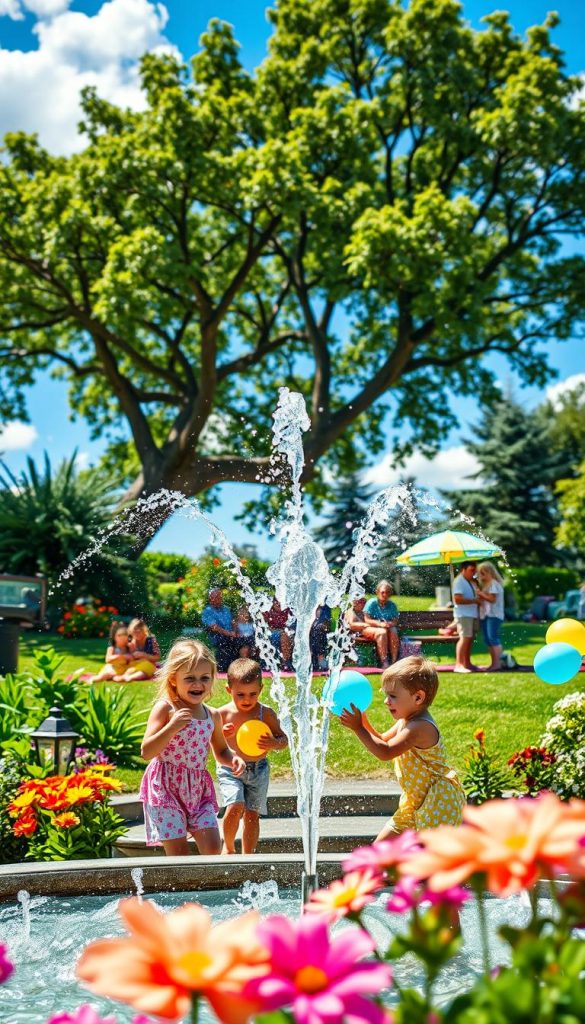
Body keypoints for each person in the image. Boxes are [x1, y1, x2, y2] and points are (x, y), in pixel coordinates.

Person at [139, 638, 246, 855]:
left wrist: (233, 758)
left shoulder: (212, 716)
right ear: (173, 680)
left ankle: (209, 888)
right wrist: (171, 727)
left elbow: (221, 750)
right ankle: (181, 888)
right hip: (165, 788)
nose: (198, 685)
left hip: (197, 790)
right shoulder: (166, 709)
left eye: (205, 678)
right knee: (179, 856)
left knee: (213, 849)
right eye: (190, 678)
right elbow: (146, 751)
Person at [339, 656, 465, 839]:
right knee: (381, 852)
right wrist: (364, 723)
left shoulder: (420, 727)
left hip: (438, 801)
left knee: (427, 860)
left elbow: (385, 752)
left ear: (418, 697)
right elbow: (382, 740)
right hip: (414, 802)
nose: (386, 701)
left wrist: (358, 728)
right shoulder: (407, 720)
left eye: (393, 696)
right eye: (386, 695)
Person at [217, 658, 288, 854]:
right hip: (231, 769)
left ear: (261, 689)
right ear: (228, 690)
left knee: (252, 814)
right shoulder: (222, 714)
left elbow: (284, 740)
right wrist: (223, 734)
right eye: (240, 694)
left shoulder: (266, 714)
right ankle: (228, 848)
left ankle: (248, 855)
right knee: (235, 805)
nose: (247, 699)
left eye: (253, 694)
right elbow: (212, 742)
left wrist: (274, 743)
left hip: (259, 769)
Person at [344, 596, 391, 669]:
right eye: (360, 601)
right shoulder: (351, 612)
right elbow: (351, 625)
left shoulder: (365, 612)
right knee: (381, 633)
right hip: (360, 632)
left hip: (367, 630)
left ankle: (386, 660)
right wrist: (366, 624)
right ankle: (384, 661)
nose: (363, 604)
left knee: (386, 632)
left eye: (364, 601)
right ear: (354, 603)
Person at [201, 588, 240, 672]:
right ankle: (225, 668)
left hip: (230, 635)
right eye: (215, 597)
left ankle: (242, 666)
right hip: (217, 637)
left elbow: (233, 622)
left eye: (219, 597)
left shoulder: (226, 609)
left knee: (246, 641)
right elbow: (215, 628)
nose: (217, 599)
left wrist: (235, 630)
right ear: (210, 598)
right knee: (227, 643)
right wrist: (230, 634)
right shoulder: (207, 611)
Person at [476, 561, 505, 671]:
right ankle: (494, 663)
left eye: (483, 573)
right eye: (480, 574)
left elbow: (492, 599)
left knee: (493, 638)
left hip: (494, 615)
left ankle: (497, 664)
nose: (481, 576)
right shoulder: (486, 585)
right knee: (488, 640)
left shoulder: (494, 584)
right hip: (487, 615)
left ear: (490, 573)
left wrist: (480, 593)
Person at [452, 561, 480, 673]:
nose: (474, 573)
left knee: (469, 639)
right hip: (464, 615)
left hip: (470, 614)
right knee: (464, 639)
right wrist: (475, 600)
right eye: (471, 570)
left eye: (475, 570)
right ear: (464, 569)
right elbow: (457, 599)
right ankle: (459, 665)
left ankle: (467, 663)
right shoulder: (459, 581)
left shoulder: (469, 581)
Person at [364, 580, 400, 664]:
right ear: (377, 592)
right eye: (382, 592)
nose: (385, 595)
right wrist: (379, 624)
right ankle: (385, 662)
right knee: (383, 632)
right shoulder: (371, 603)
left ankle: (394, 661)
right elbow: (367, 620)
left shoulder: (392, 605)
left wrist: (391, 624)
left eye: (387, 592)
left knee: (393, 630)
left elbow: (395, 621)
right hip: (371, 628)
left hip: (387, 627)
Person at [262, 597, 294, 671]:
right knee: (265, 637)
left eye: (279, 602)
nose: (278, 604)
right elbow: (264, 625)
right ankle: (267, 662)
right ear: (272, 603)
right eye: (276, 602)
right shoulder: (268, 611)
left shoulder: (288, 611)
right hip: (272, 632)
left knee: (285, 636)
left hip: (285, 633)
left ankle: (285, 662)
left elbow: (290, 626)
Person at [310, 604, 332, 671]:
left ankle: (320, 658)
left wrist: (323, 625)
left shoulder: (325, 607)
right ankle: (317, 659)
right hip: (311, 629)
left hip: (321, 630)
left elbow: (327, 622)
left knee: (318, 631)